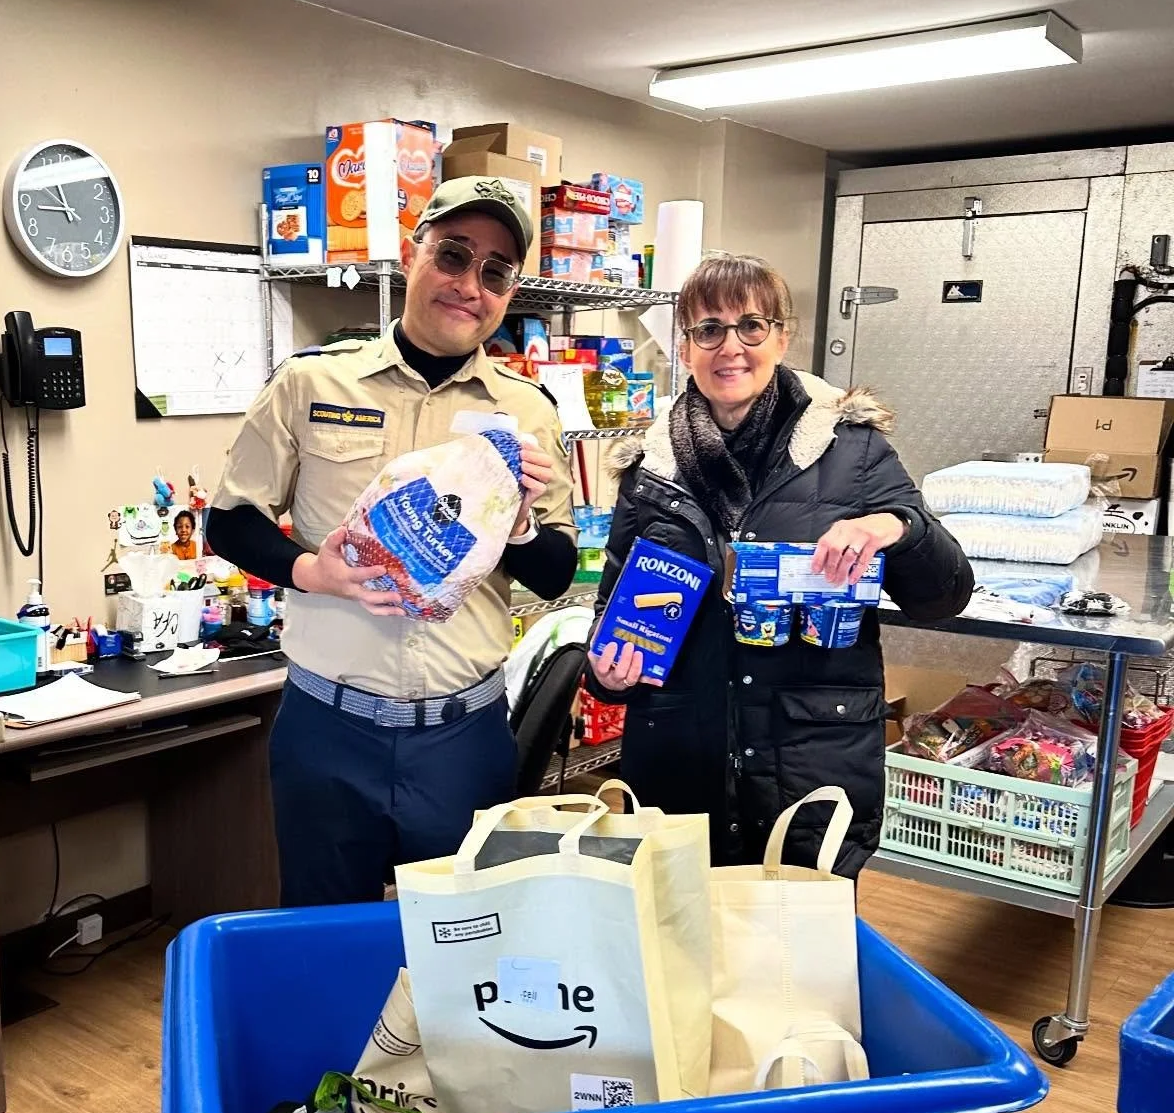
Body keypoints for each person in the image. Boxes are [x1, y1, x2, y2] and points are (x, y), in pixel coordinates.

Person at [208, 177, 577, 905]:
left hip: (461, 739)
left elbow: (557, 570)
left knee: (461, 953)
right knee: (323, 945)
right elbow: (229, 520)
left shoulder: (526, 411)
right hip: (327, 732)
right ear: (413, 255)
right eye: (454, 255)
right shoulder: (311, 384)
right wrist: (310, 570)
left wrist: (523, 522)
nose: (470, 285)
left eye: (495, 272)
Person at [587, 253, 973, 878]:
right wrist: (606, 671)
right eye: (708, 329)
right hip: (683, 768)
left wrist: (894, 528)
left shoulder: (852, 452)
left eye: (751, 326)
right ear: (684, 348)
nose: (730, 347)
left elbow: (945, 594)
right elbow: (612, 617)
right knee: (681, 957)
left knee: (801, 959)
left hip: (810, 765)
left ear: (782, 336)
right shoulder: (649, 471)